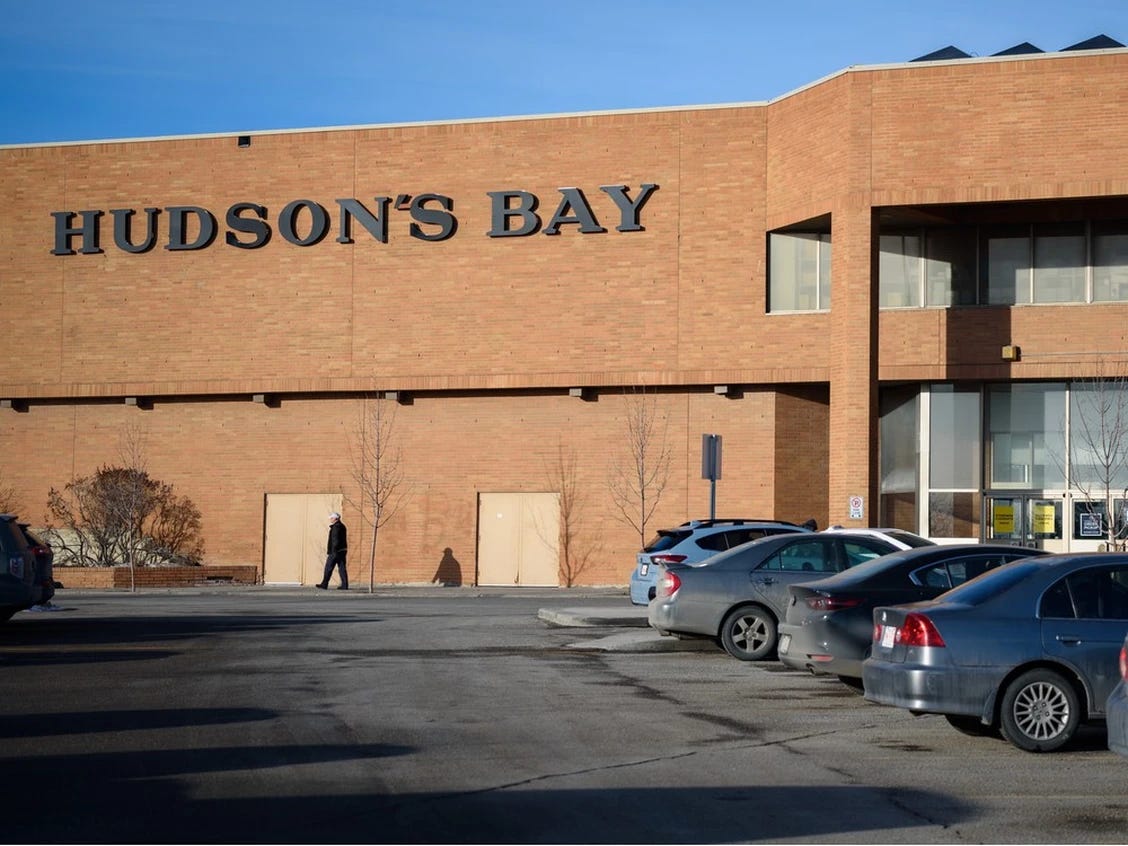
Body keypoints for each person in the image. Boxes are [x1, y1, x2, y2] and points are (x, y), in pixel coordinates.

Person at [317, 512, 348, 590]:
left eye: (331, 518)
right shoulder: (342, 526)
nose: (330, 519)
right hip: (342, 550)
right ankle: (345, 585)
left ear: (335, 518)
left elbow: (335, 540)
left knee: (328, 567)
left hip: (335, 552)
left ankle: (324, 584)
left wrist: (333, 551)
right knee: (342, 568)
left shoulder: (336, 527)